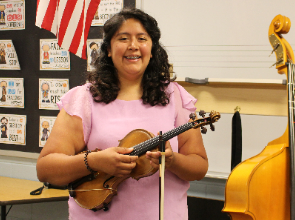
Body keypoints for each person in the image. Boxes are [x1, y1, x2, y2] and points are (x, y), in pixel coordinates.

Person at [36, 8, 208, 220]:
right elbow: (46, 169)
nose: (133, 46)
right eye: (123, 38)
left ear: (152, 48)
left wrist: (172, 161)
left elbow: (199, 167)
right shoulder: (84, 98)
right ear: (108, 49)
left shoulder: (175, 96)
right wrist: (94, 161)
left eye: (142, 38)